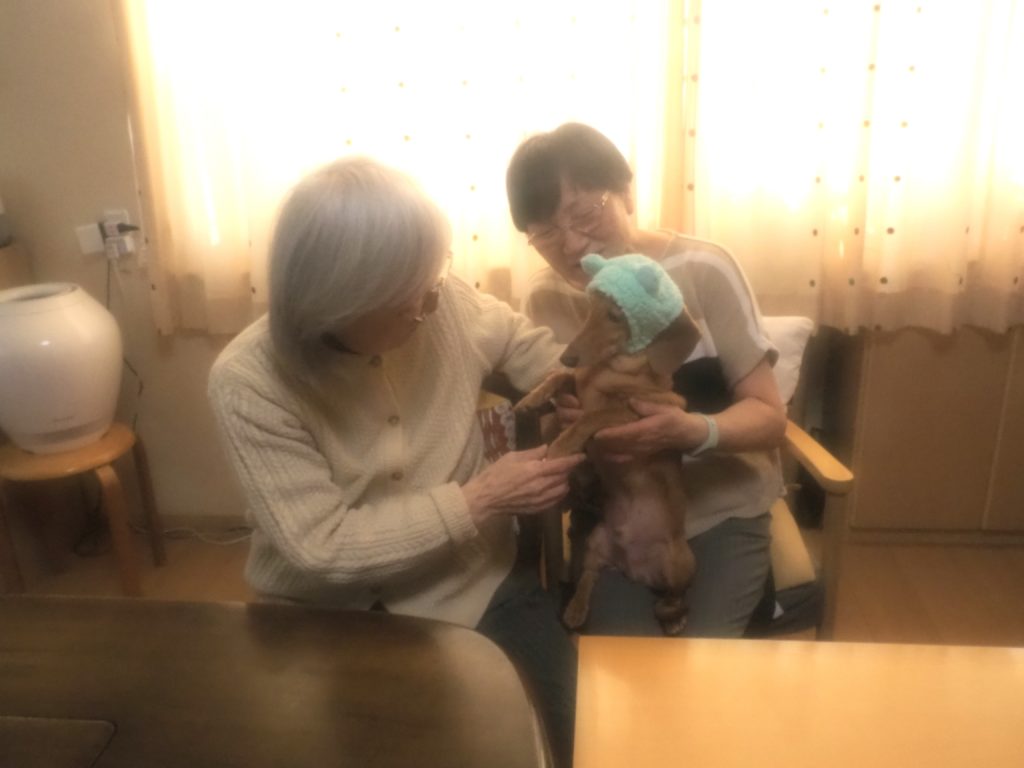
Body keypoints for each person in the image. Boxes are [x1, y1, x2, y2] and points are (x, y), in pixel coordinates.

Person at [208, 156, 582, 766]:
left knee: (570, 741)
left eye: (432, 279)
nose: (432, 302)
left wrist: (575, 384)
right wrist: (482, 499)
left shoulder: (441, 300)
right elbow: (321, 547)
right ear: (336, 304)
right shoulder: (249, 382)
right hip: (322, 615)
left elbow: (525, 344)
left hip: (477, 584)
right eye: (408, 298)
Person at [506, 122, 787, 638]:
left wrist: (691, 431)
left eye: (585, 214)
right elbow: (552, 439)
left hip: (723, 511)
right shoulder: (544, 298)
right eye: (545, 233)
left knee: (696, 667)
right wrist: (567, 424)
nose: (571, 245)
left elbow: (770, 418)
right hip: (616, 520)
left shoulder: (703, 267)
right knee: (619, 668)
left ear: (627, 193)